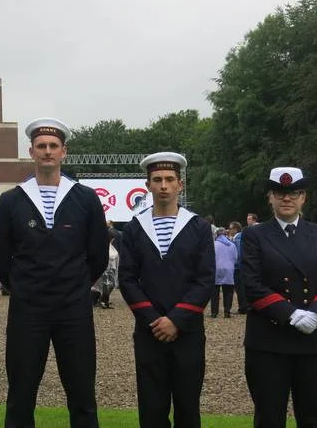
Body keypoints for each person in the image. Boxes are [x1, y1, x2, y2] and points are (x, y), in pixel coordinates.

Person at [0, 118, 108, 428]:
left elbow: (97, 255)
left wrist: (77, 285)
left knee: (82, 393)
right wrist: (24, 287)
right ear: (31, 151)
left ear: (63, 152)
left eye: (53, 146)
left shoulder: (85, 198)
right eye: (41, 146)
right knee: (21, 393)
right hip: (28, 310)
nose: (47, 152)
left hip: (74, 309)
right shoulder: (12, 200)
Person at [118, 152, 215, 428]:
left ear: (179, 185)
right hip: (149, 332)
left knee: (188, 407)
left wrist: (176, 320)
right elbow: (127, 278)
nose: (163, 185)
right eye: (157, 179)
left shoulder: (198, 227)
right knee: (151, 409)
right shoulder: (136, 228)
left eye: (170, 179)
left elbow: (205, 279)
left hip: (188, 332)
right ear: (147, 185)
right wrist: (154, 319)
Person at [241, 167, 317, 428]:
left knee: (316, 417)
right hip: (269, 342)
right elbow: (252, 285)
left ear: (304, 197)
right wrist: (291, 314)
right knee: (269, 417)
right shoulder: (254, 235)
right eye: (280, 193)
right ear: (270, 197)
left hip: (313, 341)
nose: (287, 198)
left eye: (294, 193)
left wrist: (316, 313)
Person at [212, 228, 238, 318]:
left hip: (216, 269)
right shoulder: (232, 245)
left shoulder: (214, 245)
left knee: (215, 292)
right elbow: (235, 258)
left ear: (217, 235)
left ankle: (214, 312)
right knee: (228, 292)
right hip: (229, 269)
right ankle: (227, 312)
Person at [234, 215, 258, 314]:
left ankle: (245, 306)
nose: (247, 220)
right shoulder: (253, 232)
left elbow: (239, 253)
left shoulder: (243, 235)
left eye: (249, 219)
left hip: (242, 265)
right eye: (247, 219)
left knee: (242, 287)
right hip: (248, 264)